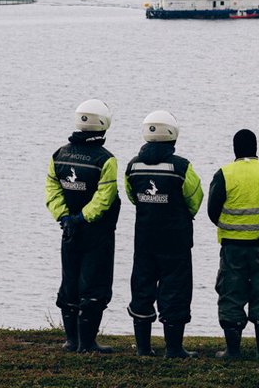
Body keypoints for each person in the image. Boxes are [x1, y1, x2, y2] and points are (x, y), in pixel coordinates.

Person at [124, 110, 203, 358]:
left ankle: (143, 347)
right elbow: (195, 199)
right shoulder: (181, 167)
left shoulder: (133, 166)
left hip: (144, 239)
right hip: (175, 240)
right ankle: (174, 348)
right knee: (176, 290)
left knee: (142, 287)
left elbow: (132, 196)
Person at [45, 99, 121, 354]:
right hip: (96, 232)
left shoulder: (59, 155)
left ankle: (71, 340)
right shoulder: (106, 160)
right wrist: (82, 218)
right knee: (95, 284)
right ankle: (87, 342)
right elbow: (105, 197)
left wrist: (64, 218)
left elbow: (52, 189)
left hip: (68, 230)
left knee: (70, 281)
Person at [207, 128, 259, 360]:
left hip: (233, 246)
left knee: (231, 293)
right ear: (256, 148)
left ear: (234, 149)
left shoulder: (224, 173)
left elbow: (212, 210)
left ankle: (232, 350)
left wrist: (232, 226)